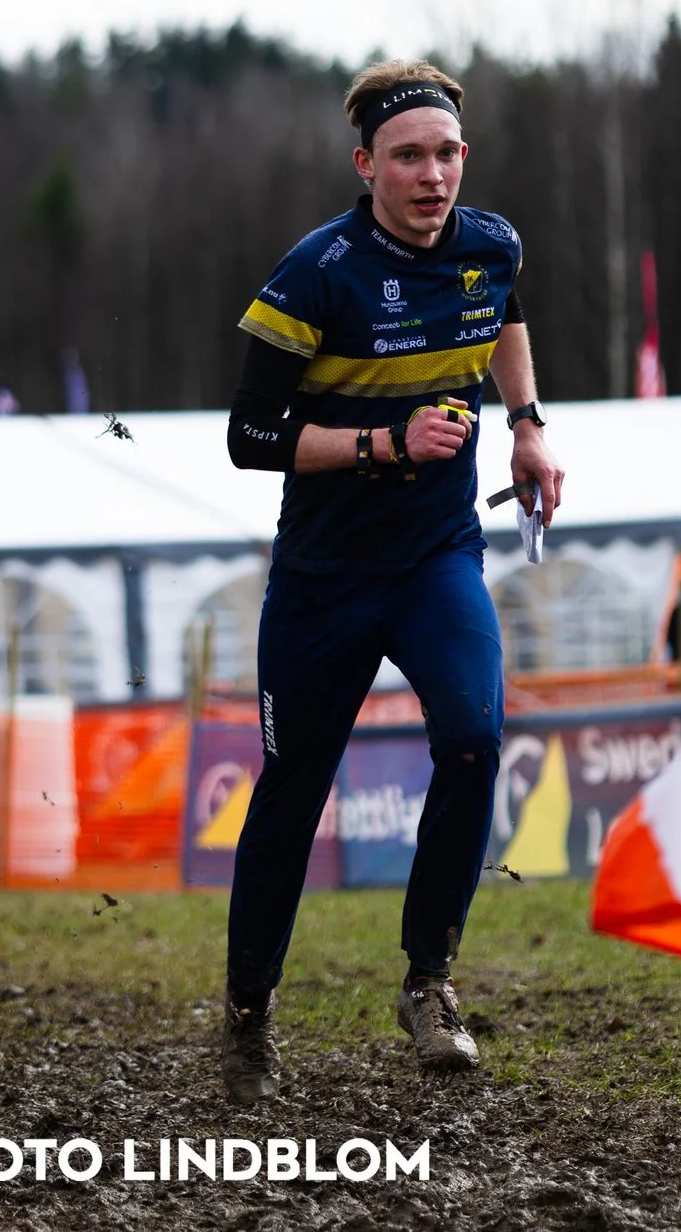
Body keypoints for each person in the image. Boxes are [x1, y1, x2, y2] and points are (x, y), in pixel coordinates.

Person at [217, 58, 563, 1103]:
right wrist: (382, 443)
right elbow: (248, 439)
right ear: (365, 163)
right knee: (294, 789)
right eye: (407, 155)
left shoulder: (491, 242)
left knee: (472, 736)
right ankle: (245, 1012)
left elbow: (503, 315)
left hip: (435, 557)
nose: (431, 174)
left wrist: (527, 427)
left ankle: (428, 980)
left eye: (447, 153)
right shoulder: (312, 275)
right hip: (324, 576)